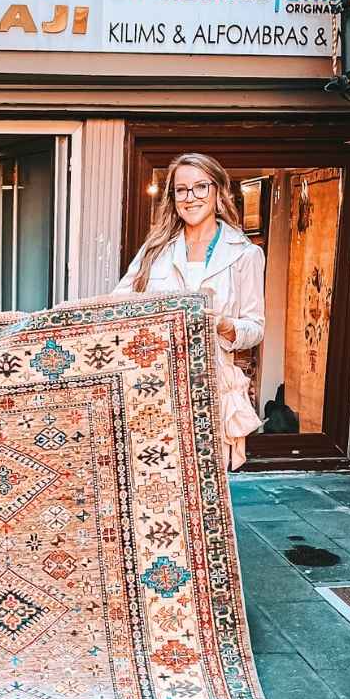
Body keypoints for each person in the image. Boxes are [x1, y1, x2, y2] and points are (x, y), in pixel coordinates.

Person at [114, 152, 265, 470]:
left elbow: (255, 327)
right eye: (181, 190)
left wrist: (225, 325)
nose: (190, 197)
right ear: (173, 197)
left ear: (218, 191)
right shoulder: (155, 249)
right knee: (155, 473)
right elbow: (118, 303)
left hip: (210, 382)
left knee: (204, 474)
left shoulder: (245, 254)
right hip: (153, 382)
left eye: (200, 187)